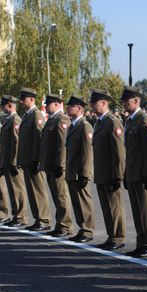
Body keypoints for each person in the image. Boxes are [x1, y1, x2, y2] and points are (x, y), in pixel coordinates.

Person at [121, 85, 147, 258]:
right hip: (133, 172)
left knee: (146, 210)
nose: (124, 104)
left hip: (142, 173)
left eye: (126, 101)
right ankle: (141, 241)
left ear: (136, 101)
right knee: (137, 211)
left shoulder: (145, 120)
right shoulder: (130, 121)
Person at [90, 89, 126, 251]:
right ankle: (111, 236)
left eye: (94, 103)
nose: (92, 106)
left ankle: (118, 237)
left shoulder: (113, 122)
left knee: (114, 206)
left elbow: (118, 151)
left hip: (111, 173)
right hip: (101, 172)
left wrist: (118, 175)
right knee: (106, 207)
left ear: (104, 103)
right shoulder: (99, 122)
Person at [39, 92, 73, 237]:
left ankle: (65, 225)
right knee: (56, 196)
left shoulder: (61, 119)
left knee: (61, 196)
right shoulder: (51, 120)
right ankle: (60, 223)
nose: (46, 107)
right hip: (50, 164)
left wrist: (61, 164)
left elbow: (63, 144)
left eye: (48, 104)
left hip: (57, 165)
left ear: (57, 104)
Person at [18, 87, 51, 231]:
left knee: (38, 190)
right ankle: (38, 218)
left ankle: (44, 219)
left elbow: (39, 139)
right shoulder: (26, 116)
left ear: (31, 99)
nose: (21, 101)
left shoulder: (36, 115)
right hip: (27, 160)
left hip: (33, 160)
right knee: (32, 191)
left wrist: (37, 160)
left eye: (23, 99)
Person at [64, 94, 95, 243]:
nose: (68, 108)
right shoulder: (72, 126)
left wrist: (84, 173)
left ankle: (88, 230)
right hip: (72, 172)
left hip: (79, 172)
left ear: (80, 109)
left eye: (71, 106)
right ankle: (82, 228)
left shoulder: (84, 126)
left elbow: (87, 152)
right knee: (77, 203)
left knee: (84, 202)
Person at [0, 95, 29, 227]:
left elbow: (16, 142)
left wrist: (14, 162)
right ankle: (16, 214)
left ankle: (21, 216)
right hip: (7, 160)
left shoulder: (15, 120)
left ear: (10, 105)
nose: (2, 108)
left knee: (18, 189)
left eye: (4, 105)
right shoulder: (8, 120)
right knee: (12, 189)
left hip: (13, 162)